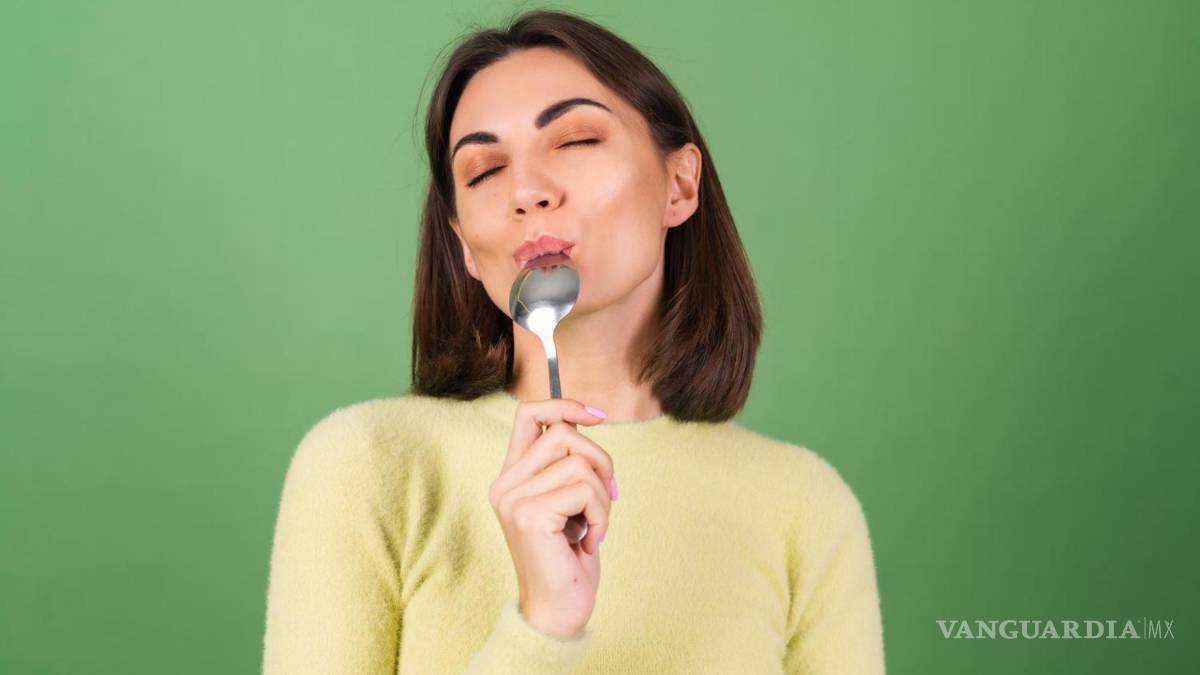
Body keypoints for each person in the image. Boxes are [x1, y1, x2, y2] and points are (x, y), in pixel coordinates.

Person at [261, 8, 884, 674]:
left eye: (577, 139)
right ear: (464, 244)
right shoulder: (369, 464)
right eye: (483, 171)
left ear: (680, 183)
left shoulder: (804, 506)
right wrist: (543, 625)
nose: (527, 190)